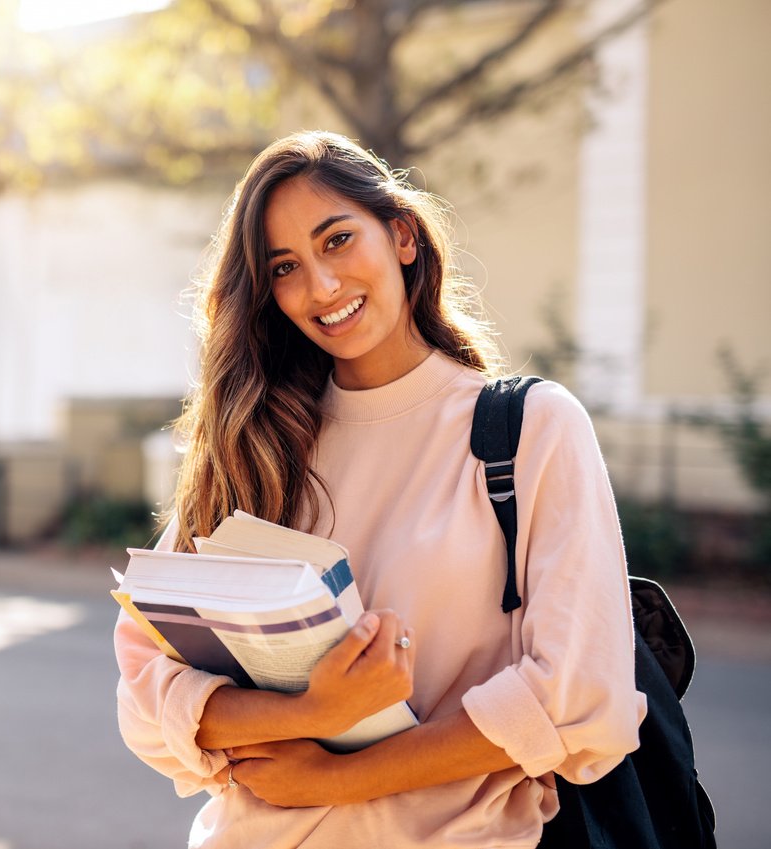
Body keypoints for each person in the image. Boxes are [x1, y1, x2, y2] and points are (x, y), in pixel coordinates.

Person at [113, 130, 646, 848]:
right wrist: (314, 710)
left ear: (401, 235)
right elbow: (147, 696)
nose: (321, 287)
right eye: (285, 267)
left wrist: (336, 777)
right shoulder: (257, 444)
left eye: (337, 241)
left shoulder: (529, 429)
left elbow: (579, 700)